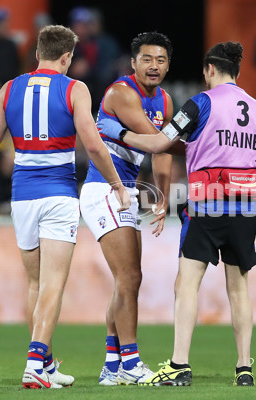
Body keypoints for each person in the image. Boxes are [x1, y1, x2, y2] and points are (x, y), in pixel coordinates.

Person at [98, 41, 256, 387]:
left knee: (187, 285)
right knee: (239, 288)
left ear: (209, 70)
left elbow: (159, 143)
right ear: (236, 72)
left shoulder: (199, 103)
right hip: (246, 205)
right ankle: (244, 369)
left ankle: (179, 364)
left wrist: (115, 131)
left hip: (208, 202)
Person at [0, 25, 130, 389]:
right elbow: (92, 145)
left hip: (22, 197)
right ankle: (33, 363)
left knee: (34, 282)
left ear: (37, 53)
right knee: (54, 284)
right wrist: (118, 184)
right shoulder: (75, 88)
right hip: (59, 195)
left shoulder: (8, 88)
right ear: (66, 57)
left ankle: (43, 363)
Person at [80, 31, 173, 386]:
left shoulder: (163, 99)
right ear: (133, 63)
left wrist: (163, 197)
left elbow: (162, 152)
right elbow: (160, 142)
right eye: (147, 59)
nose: (154, 66)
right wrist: (201, 145)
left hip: (125, 191)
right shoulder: (121, 93)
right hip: (106, 188)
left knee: (128, 280)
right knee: (129, 277)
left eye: (161, 60)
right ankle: (132, 364)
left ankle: (113, 367)